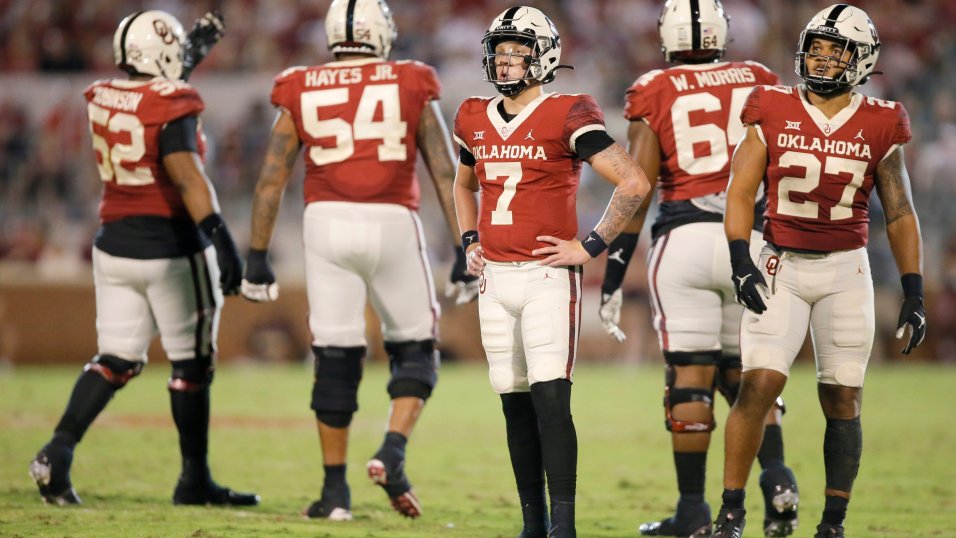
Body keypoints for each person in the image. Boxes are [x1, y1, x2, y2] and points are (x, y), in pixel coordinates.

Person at [240, 0, 476, 521]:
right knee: (416, 345)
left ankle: (334, 494)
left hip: (325, 225)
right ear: (383, 34)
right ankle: (391, 451)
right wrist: (466, 245)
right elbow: (444, 170)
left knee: (335, 354)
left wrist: (256, 254)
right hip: (392, 221)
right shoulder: (411, 79)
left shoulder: (300, 83)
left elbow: (271, 179)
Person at [29, 10, 259, 507]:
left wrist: (191, 50)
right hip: (171, 250)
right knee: (192, 366)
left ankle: (57, 452)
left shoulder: (102, 95)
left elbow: (151, 93)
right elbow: (187, 174)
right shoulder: (174, 101)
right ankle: (193, 480)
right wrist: (221, 238)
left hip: (113, 245)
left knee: (114, 359)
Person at [712, 4, 926, 538]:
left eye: (837, 50)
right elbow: (741, 190)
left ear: (863, 60)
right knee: (757, 384)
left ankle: (833, 523)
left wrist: (913, 289)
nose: (823, 59)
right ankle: (732, 512)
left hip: (845, 271)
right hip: (779, 261)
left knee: (842, 394)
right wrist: (741, 261)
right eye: (817, 47)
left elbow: (899, 211)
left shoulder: (881, 120)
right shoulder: (772, 107)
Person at [597, 1, 799, 536]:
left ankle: (692, 511)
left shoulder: (654, 87)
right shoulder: (759, 79)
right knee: (749, 371)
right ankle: (776, 474)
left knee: (690, 378)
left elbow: (636, 189)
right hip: (751, 239)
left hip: (684, 240)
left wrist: (614, 272)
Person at [452, 7, 650, 537]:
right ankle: (532, 524)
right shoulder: (472, 114)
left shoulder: (566, 111)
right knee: (513, 403)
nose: (506, 60)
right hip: (493, 278)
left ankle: (564, 524)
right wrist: (469, 239)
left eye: (519, 50)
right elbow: (463, 185)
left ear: (545, 57)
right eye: (501, 49)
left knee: (550, 399)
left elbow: (632, 181)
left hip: (545, 276)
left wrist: (590, 245)